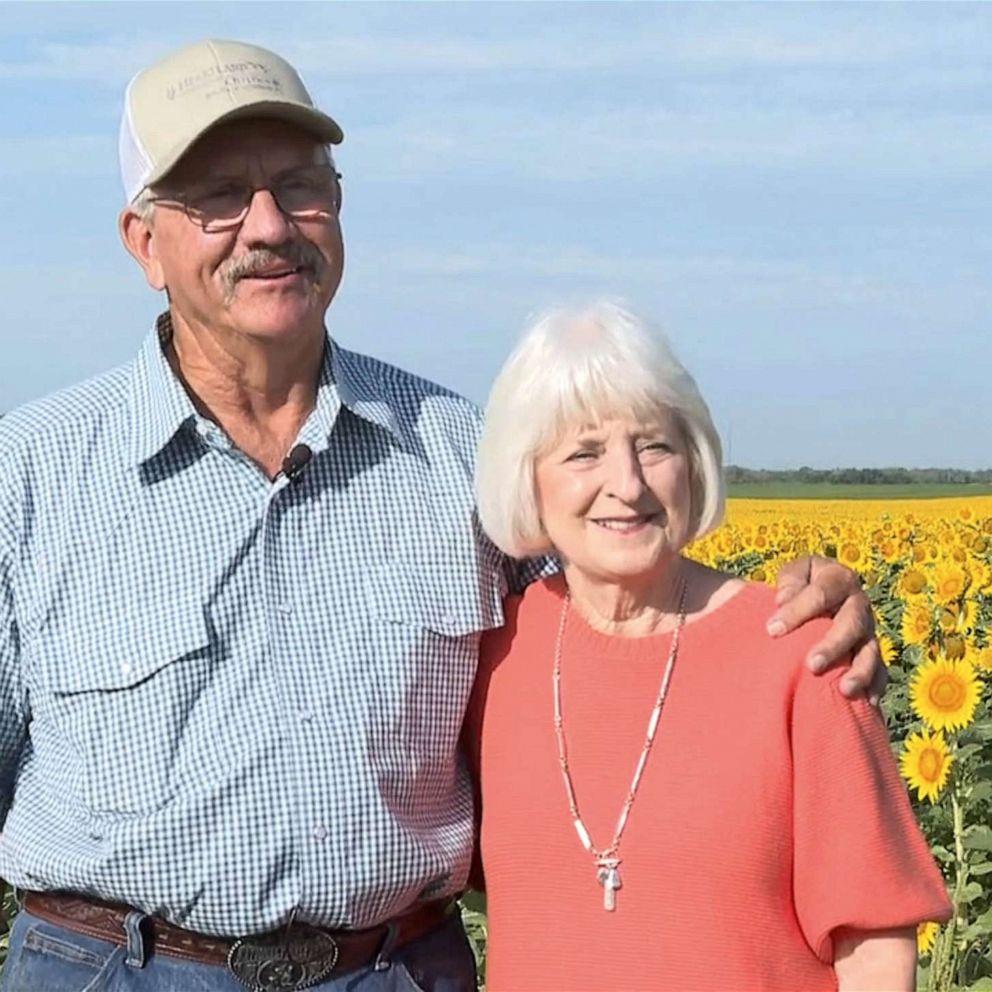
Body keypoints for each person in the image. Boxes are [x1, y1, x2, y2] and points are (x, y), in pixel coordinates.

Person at [0, 38, 881, 992]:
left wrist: (788, 619)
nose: (268, 227)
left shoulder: (464, 455)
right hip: (118, 968)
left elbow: (616, 638)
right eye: (218, 196)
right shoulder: (35, 473)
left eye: (300, 187)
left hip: (391, 969)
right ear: (143, 242)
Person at [467, 301, 952, 992]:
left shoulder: (799, 655)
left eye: (655, 445)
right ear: (527, 479)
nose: (628, 484)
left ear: (694, 462)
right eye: (584, 452)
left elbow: (874, 944)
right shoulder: (495, 653)